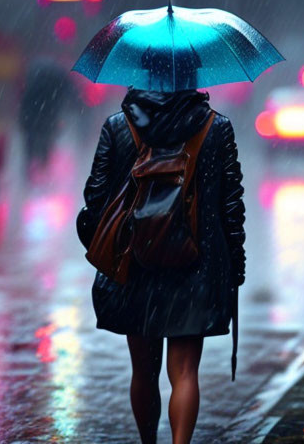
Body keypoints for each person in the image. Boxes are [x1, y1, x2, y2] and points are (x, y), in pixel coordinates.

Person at [78, 85, 246, 444]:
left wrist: (100, 240)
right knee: (185, 373)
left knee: (143, 372)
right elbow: (231, 206)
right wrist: (236, 264)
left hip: (135, 265)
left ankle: (148, 441)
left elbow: (95, 199)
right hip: (194, 266)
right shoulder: (217, 128)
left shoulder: (118, 127)